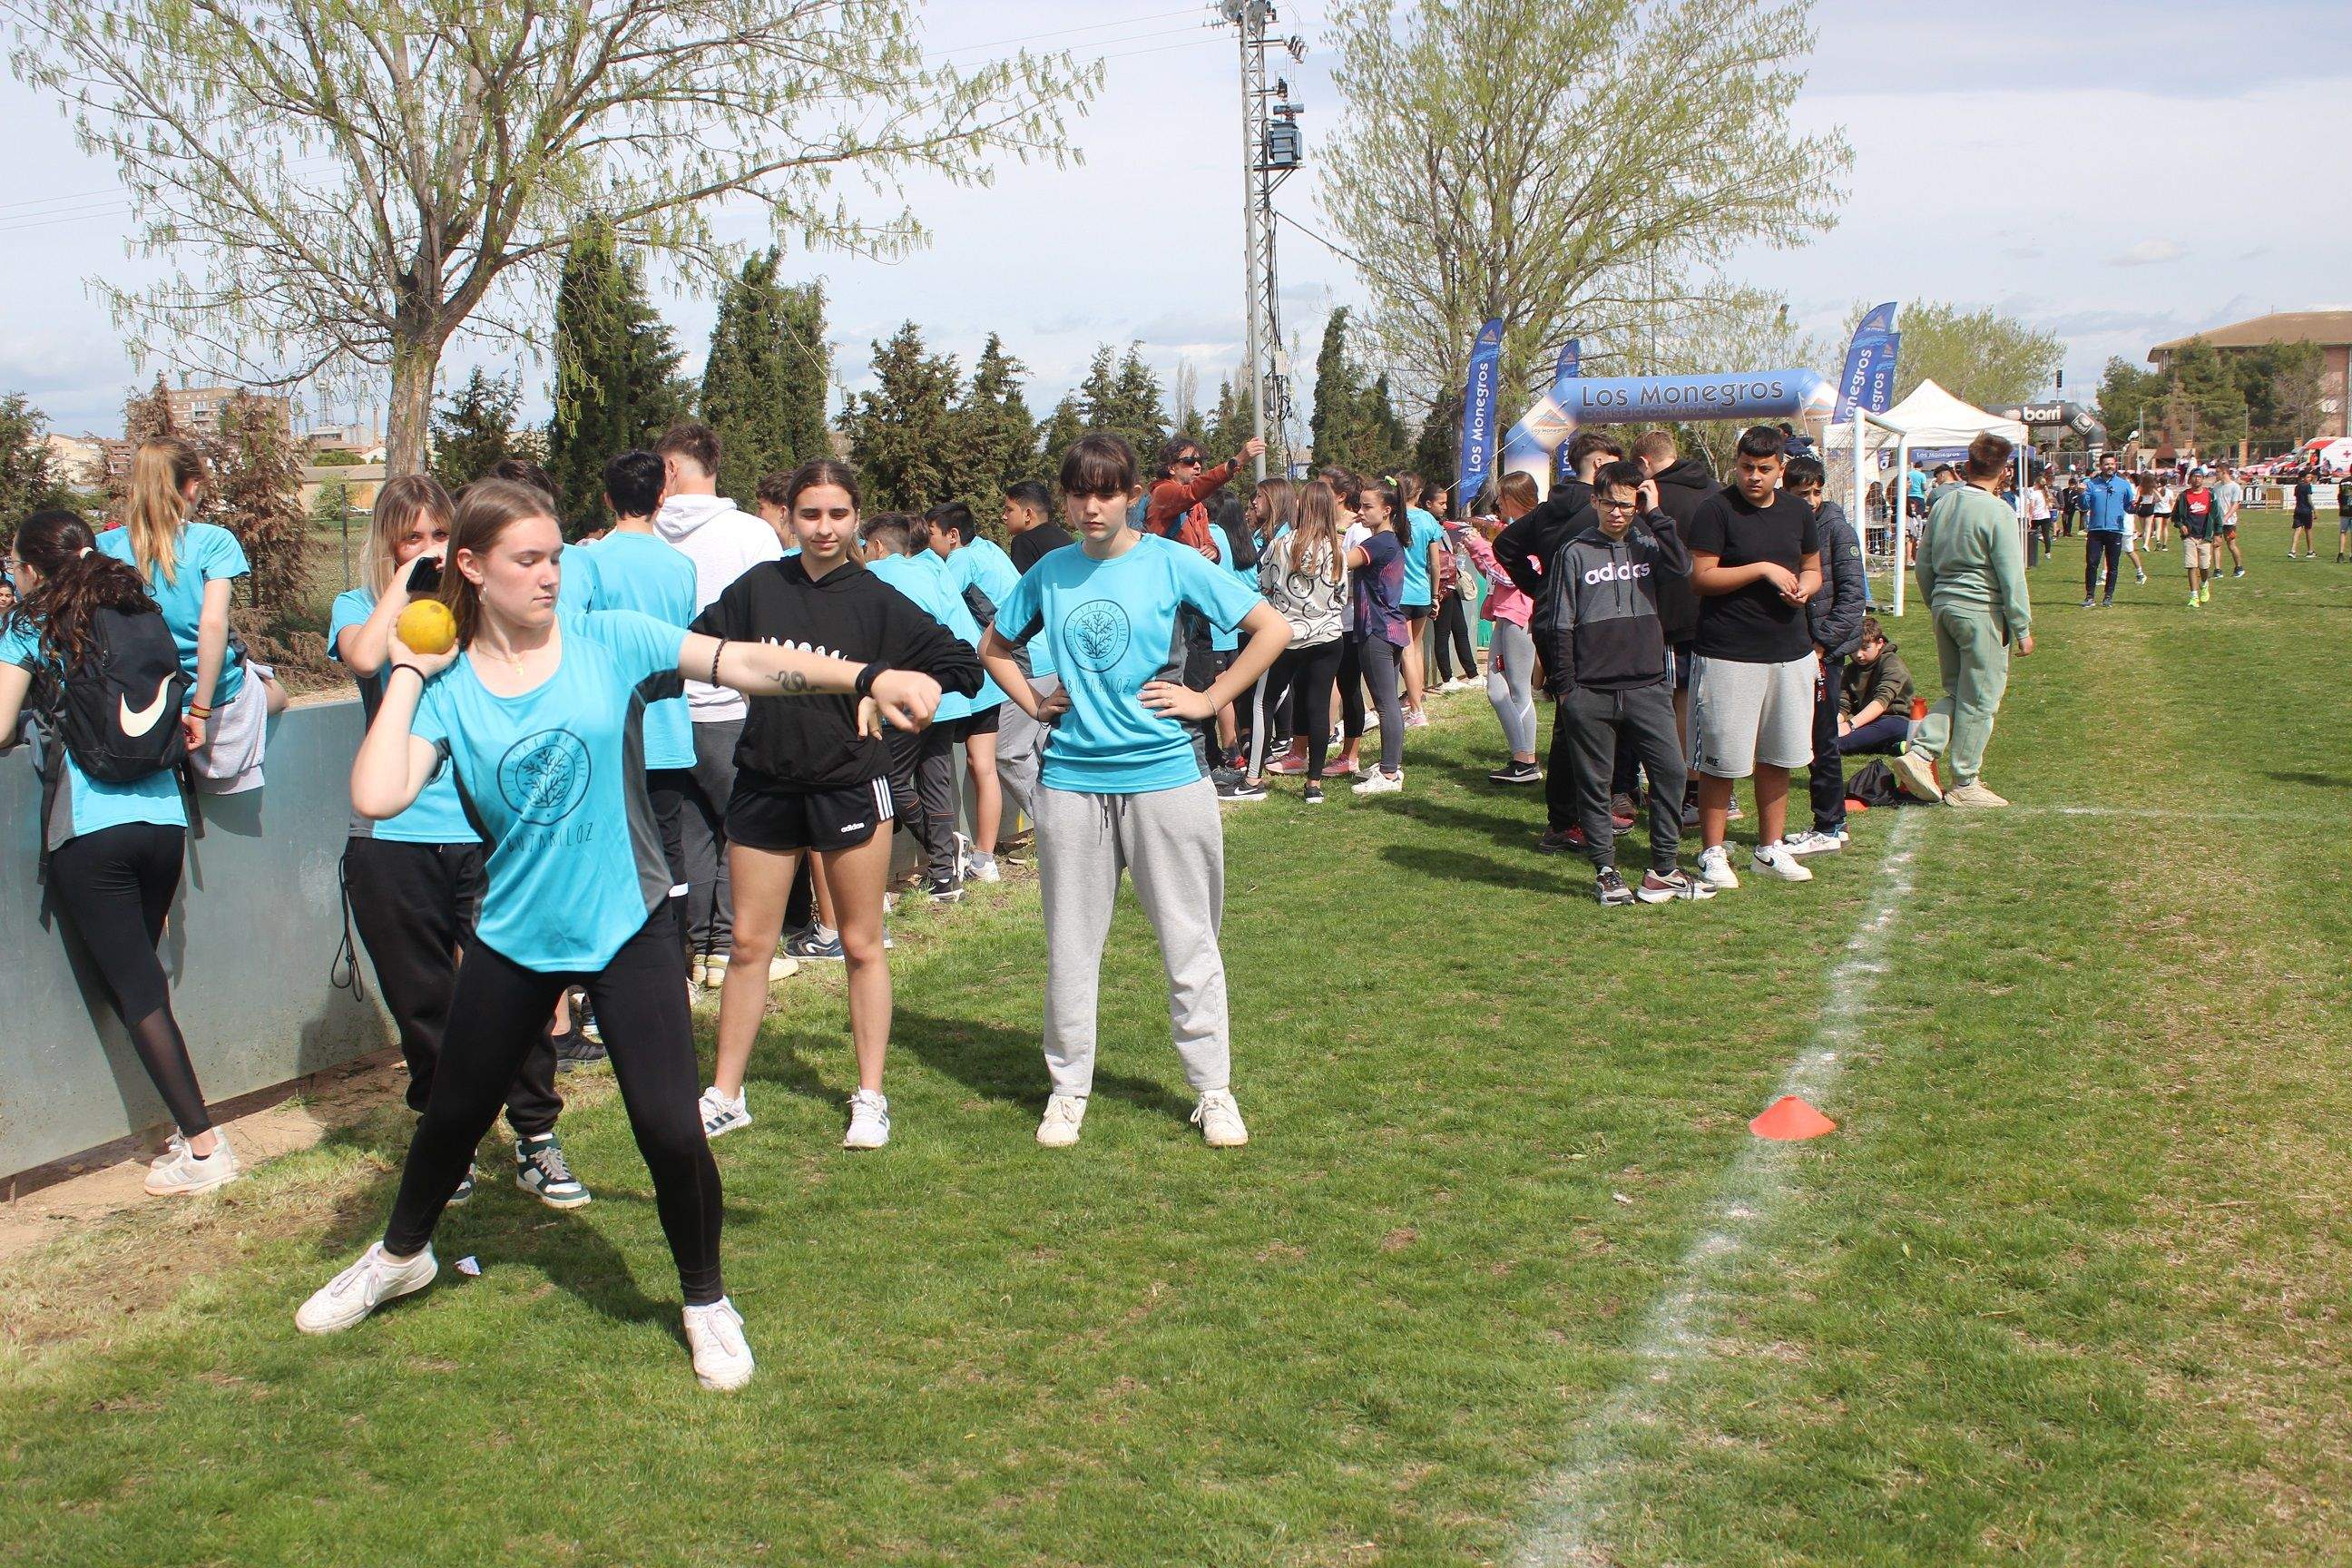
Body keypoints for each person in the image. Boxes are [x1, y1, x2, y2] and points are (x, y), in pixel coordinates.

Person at [294, 476, 943, 1390]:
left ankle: (706, 1299)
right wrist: (407, 670)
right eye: (529, 560)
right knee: (450, 1115)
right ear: (472, 568)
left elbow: (747, 663)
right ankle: (402, 1254)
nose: (552, 575)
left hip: (629, 922)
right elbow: (376, 794)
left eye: (557, 555)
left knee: (670, 1131)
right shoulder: (449, 688)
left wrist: (868, 677)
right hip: (517, 936)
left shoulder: (606, 640)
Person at [977, 434, 1288, 1150]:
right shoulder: (1050, 572)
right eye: (1079, 493)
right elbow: (994, 647)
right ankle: (1067, 1090)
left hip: (1166, 779)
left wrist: (1209, 701)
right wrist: (1032, 700)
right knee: (1071, 946)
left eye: (1106, 493)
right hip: (1072, 784)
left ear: (1130, 495)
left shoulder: (1171, 560)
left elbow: (1271, 627)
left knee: (1190, 942)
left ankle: (1213, 1092)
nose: (1091, 507)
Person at [695, 462, 982, 1151]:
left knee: (860, 943)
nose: (824, 528)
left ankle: (870, 1096)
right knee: (746, 945)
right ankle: (726, 1095)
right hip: (764, 782)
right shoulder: (759, 588)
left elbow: (961, 665)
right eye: (810, 515)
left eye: (837, 515)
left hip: (851, 784)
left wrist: (891, 690)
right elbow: (697, 648)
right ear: (788, 519)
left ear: (856, 518)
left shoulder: (876, 599)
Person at [331, 475, 579, 1208]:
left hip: (483, 830)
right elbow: (365, 660)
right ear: (391, 546)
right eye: (414, 539)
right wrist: (404, 589)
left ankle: (537, 1135)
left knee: (517, 991)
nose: (430, 551)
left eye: (443, 537)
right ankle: (450, 1139)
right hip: (391, 838)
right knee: (424, 1002)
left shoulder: (479, 616)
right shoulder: (362, 607)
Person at [1, 510, 235, 1197]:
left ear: (34, 567)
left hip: (92, 827)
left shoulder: (33, 623)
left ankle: (203, 1147)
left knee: (136, 991)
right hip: (163, 819)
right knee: (141, 981)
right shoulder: (136, 607)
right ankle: (184, 1127)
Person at [650, 423, 788, 986]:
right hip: (731, 702)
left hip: (664, 708)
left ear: (672, 470)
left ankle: (700, 945)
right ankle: (728, 948)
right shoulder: (751, 534)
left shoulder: (644, 534)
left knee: (692, 831)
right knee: (744, 827)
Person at [1538, 461, 1709, 906]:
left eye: (1627, 505)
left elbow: (1684, 566)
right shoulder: (1573, 552)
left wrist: (1656, 515)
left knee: (1671, 772)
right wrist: (1567, 688)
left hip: (1647, 686)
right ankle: (1606, 871)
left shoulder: (1649, 544)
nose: (1617, 513)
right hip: (1590, 691)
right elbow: (1558, 624)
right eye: (1610, 503)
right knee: (1595, 784)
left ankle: (1663, 868)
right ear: (1595, 500)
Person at [100, 437, 286, 794]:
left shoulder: (105, 548)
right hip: (213, 697)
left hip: (140, 698)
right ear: (192, 486)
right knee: (275, 692)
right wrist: (199, 711)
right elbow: (213, 624)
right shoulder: (214, 540)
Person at [1684, 426, 1823, 889]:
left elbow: (1813, 567)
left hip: (1791, 651)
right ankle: (1712, 852)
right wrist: (1762, 570)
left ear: (1781, 468)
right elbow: (1701, 578)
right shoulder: (1715, 510)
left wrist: (1806, 587)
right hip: (1728, 653)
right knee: (1722, 759)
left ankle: (1770, 848)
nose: (1754, 477)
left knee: (1779, 755)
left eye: (1764, 469)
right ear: (1736, 465)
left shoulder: (1798, 511)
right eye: (1746, 467)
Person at [1890, 433, 2034, 809]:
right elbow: (2010, 574)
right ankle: (1964, 781)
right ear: (2003, 473)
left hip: (1945, 606)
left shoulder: (1943, 505)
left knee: (1958, 692)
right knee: (1981, 699)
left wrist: (1935, 601)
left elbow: (1923, 563)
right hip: (1980, 609)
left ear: (1967, 466)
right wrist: (2022, 626)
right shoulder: (1998, 510)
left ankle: (1920, 754)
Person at [862, 515, 987, 902]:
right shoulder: (932, 567)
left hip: (908, 695)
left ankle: (946, 851)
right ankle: (945, 880)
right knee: (937, 784)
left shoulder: (876, 575)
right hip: (947, 693)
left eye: (866, 546)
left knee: (891, 782)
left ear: (879, 547)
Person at [1146, 432, 1267, 796]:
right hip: (1169, 609)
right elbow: (1191, 494)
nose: (1197, 466)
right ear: (1171, 467)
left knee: (1199, 686)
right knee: (1184, 686)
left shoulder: (1196, 507)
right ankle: (1195, 770)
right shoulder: (1165, 493)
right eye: (1189, 461)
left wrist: (1211, 551)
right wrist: (1237, 462)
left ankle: (1207, 766)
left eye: (1200, 460)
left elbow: (1207, 540)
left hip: (1194, 610)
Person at [1781, 455, 1867, 858]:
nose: (1812, 500)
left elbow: (1853, 600)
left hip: (1823, 654)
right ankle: (1829, 821)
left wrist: (1822, 645)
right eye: (1803, 494)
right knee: (1801, 736)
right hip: (1793, 649)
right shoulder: (1788, 525)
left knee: (1821, 737)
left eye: (1817, 492)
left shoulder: (1837, 530)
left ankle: (1830, 823)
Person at [1244, 477, 1349, 801]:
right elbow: (1341, 596)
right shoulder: (1338, 550)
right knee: (1318, 707)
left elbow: (1264, 585)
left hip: (1286, 636)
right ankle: (1314, 783)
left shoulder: (1280, 544)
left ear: (1304, 506)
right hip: (1328, 636)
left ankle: (1252, 777)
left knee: (1264, 701)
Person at [926, 501, 1014, 879]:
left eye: (930, 535)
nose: (927, 544)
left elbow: (936, 600)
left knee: (937, 768)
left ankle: (947, 855)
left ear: (953, 536)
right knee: (985, 767)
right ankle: (985, 858)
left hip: (963, 677)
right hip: (989, 678)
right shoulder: (990, 549)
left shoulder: (958, 561)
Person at [1634, 429, 1710, 825]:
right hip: (1714, 609)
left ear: (1645, 463)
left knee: (1673, 701)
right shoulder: (1715, 491)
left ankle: (1681, 790)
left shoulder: (1649, 497)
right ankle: (1708, 789)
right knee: (1705, 700)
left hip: (1668, 613)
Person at [995, 480, 1070, 827]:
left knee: (1010, 752)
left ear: (1027, 514)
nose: (1003, 516)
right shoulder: (1066, 542)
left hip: (1031, 655)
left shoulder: (1024, 543)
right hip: (1064, 659)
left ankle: (1051, 824)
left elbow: (1024, 604)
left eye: (1008, 509)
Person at [1458, 474, 1542, 784]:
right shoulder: (1515, 530)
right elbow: (1499, 575)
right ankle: (1522, 757)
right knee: (1496, 689)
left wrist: (1481, 548)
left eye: (1503, 498)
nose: (1498, 505)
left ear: (1515, 498)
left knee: (1519, 689)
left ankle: (1526, 760)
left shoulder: (1534, 532)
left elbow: (1513, 577)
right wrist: (1478, 549)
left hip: (1521, 616)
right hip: (1507, 615)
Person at [1344, 478, 1413, 795]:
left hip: (1378, 631)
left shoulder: (1379, 543)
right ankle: (1390, 765)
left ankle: (1388, 774)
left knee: (1386, 704)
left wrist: (1339, 524)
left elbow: (1339, 562)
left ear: (1387, 510)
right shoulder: (1388, 540)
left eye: (1367, 507)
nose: (1360, 512)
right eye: (1360, 506)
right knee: (1388, 703)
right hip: (1390, 629)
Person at [1396, 474, 1446, 726]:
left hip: (1400, 593)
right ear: (1419, 493)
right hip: (1423, 593)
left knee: (1406, 652)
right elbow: (1435, 563)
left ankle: (1416, 710)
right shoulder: (1428, 520)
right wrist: (1435, 594)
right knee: (1415, 649)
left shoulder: (1394, 517)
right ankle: (1418, 700)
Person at [1836, 617, 1915, 754]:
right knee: (1826, 735)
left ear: (1880, 643)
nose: (1858, 655)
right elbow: (1843, 704)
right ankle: (1894, 747)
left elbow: (1881, 701)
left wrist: (1849, 725)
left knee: (1839, 743)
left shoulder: (1892, 664)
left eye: (1865, 648)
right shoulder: (1849, 670)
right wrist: (1834, 725)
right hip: (1868, 721)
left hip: (1897, 720)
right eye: (1853, 649)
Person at [2078, 452, 2137, 607]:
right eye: (2106, 464)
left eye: (2112, 463)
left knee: (2113, 565)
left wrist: (2134, 506)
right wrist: (2082, 493)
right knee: (2092, 563)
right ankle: (2090, 596)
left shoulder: (2123, 485)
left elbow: (2128, 507)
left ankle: (2108, 596)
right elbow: (2084, 506)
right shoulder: (2092, 484)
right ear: (2100, 466)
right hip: (2095, 530)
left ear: (2115, 464)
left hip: (2115, 530)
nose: (2109, 466)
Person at [2173, 469, 2221, 607]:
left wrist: (2218, 534)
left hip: (2205, 536)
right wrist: (2181, 525)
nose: (2196, 479)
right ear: (2189, 480)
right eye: (2193, 477)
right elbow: (2175, 516)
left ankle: (2204, 584)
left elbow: (2217, 516)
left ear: (2203, 479)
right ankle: (2194, 596)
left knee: (2204, 566)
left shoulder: (2210, 495)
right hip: (2189, 537)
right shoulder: (2183, 496)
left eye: (2199, 477)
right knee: (2191, 566)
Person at [2212, 465, 2246, 577]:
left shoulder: (2235, 487)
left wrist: (2225, 518)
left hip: (2230, 522)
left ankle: (2239, 567)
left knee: (2231, 545)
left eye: (2217, 472)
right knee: (2216, 544)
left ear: (2224, 473)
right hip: (2217, 521)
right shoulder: (2216, 487)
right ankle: (2217, 570)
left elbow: (2235, 505)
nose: (2216, 474)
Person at [2290, 468, 2315, 558]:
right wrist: (2315, 511)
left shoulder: (2297, 487)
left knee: (2297, 530)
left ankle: (2292, 550)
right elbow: (2309, 500)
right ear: (2303, 478)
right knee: (2308, 530)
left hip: (2298, 510)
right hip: (2306, 511)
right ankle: (2310, 551)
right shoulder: (2307, 486)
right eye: (2308, 477)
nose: (2309, 478)